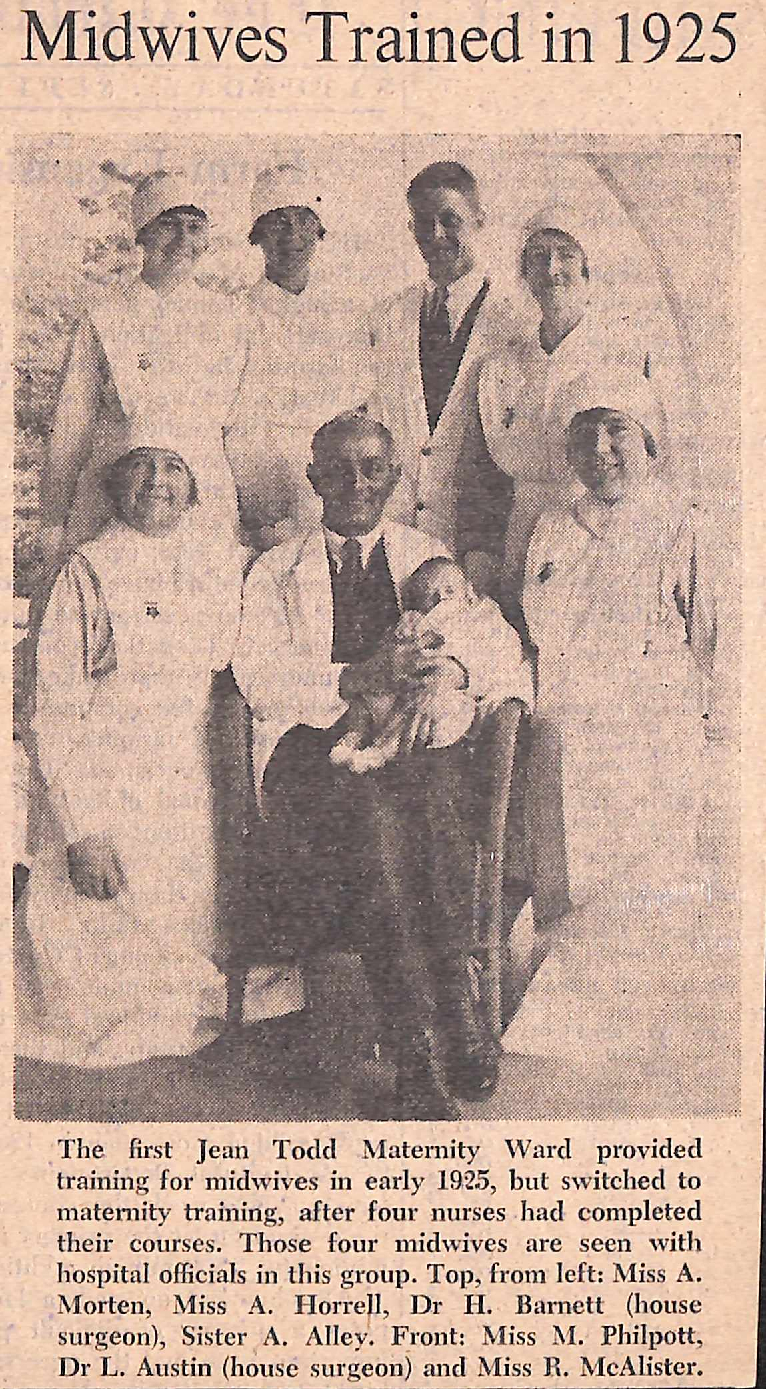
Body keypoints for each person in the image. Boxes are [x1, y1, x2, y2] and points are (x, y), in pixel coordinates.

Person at [232, 411, 531, 1117]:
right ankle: (439, 1027)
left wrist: (451, 670)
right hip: (312, 750)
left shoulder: (430, 555)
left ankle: (424, 1044)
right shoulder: (277, 571)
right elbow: (257, 674)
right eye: (337, 468)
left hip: (407, 756)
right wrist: (357, 674)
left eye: (371, 467)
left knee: (406, 801)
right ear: (313, 479)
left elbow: (500, 652)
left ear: (395, 477)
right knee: (374, 809)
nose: (355, 483)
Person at [17, 444, 243, 1067]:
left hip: (190, 780)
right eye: (141, 465)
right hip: (106, 781)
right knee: (105, 970)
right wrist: (80, 829)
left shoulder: (216, 565)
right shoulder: (86, 570)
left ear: (197, 488)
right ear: (113, 483)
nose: (157, 482)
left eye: (174, 467)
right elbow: (54, 709)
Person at [517, 378, 716, 935]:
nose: (600, 449)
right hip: (566, 731)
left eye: (616, 429)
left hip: (651, 732)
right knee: (570, 906)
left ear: (647, 439)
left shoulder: (680, 523)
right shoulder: (553, 528)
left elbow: (711, 639)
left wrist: (695, 720)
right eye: (584, 437)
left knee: (643, 908)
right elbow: (541, 631)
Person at [39, 169, 248, 567]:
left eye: (194, 227)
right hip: (113, 494)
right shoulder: (104, 316)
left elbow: (242, 429)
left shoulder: (231, 319)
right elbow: (71, 428)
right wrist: (52, 522)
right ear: (143, 235)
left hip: (204, 495)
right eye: (168, 226)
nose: (183, 240)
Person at [479, 203, 668, 600]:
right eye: (538, 257)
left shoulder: (624, 351)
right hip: (524, 526)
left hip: (599, 525)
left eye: (565, 255)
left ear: (586, 266)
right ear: (524, 272)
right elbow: (490, 467)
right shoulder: (501, 364)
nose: (551, 269)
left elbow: (655, 456)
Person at [368, 160, 521, 591]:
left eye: (449, 220)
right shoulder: (388, 317)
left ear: (479, 220)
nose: (435, 235)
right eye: (423, 223)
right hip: (395, 539)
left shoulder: (516, 322)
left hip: (479, 549)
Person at [226, 161, 373, 555]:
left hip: (339, 502)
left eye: (301, 220)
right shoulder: (234, 319)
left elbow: (358, 415)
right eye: (277, 223)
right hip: (260, 515)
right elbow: (236, 431)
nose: (291, 236)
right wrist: (262, 515)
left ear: (317, 229)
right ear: (258, 236)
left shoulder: (347, 317)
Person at [328, 556, 504, 772]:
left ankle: (378, 752)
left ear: (468, 592)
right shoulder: (417, 618)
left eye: (450, 590)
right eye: (430, 596)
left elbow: (499, 654)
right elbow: (393, 644)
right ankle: (352, 737)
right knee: (364, 702)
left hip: (443, 695)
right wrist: (401, 633)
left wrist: (459, 672)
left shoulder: (477, 617)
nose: (441, 597)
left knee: (425, 711)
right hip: (399, 686)